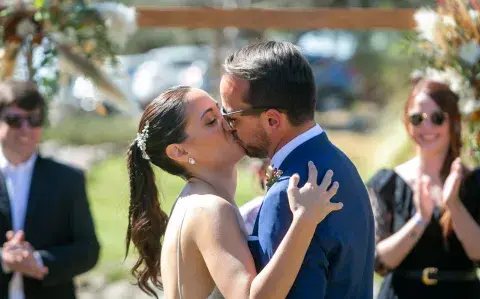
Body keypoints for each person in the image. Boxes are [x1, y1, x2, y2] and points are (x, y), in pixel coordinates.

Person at [124, 86, 343, 299]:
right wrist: (304, 220)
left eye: (222, 110)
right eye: (211, 121)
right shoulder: (210, 210)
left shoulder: (196, 200)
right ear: (179, 151)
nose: (228, 121)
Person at [219, 40, 375, 298]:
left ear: (272, 120)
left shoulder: (289, 194)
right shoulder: (341, 163)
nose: (227, 127)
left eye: (231, 117)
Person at [367, 79, 480, 298]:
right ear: (408, 124)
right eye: (417, 119)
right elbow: (379, 261)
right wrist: (420, 218)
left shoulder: (474, 182)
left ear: (453, 122)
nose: (426, 128)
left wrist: (454, 205)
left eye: (437, 118)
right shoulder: (387, 183)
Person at [0, 80, 100, 299]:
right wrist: (4, 260)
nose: (25, 129)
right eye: (14, 120)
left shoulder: (68, 179)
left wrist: (38, 261)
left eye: (34, 120)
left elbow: (89, 249)